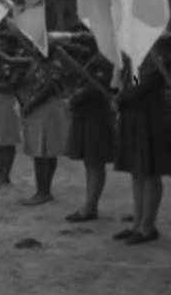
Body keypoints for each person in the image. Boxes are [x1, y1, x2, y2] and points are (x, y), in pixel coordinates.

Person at [111, 35, 171, 245]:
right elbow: (135, 83)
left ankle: (148, 226)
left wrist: (121, 99)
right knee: (138, 171)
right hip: (135, 118)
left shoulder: (161, 59)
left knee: (150, 171)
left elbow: (149, 86)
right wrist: (121, 96)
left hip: (153, 119)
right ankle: (138, 222)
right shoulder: (137, 60)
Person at [65, 53, 116, 223]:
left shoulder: (114, 59)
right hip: (87, 114)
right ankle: (90, 204)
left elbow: (100, 86)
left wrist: (76, 96)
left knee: (95, 160)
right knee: (89, 161)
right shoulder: (95, 56)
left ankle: (90, 206)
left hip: (98, 115)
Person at [19, 54, 71, 205]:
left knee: (48, 150)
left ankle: (45, 191)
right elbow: (28, 82)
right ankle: (39, 190)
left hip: (48, 109)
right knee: (37, 150)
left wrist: (31, 106)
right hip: (36, 110)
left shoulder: (56, 64)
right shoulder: (36, 64)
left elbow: (50, 88)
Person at [0, 34, 31, 187]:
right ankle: (0, 173)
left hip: (8, 101)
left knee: (7, 140)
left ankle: (5, 175)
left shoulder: (17, 60)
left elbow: (12, 84)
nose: (0, 47)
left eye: (2, 44)